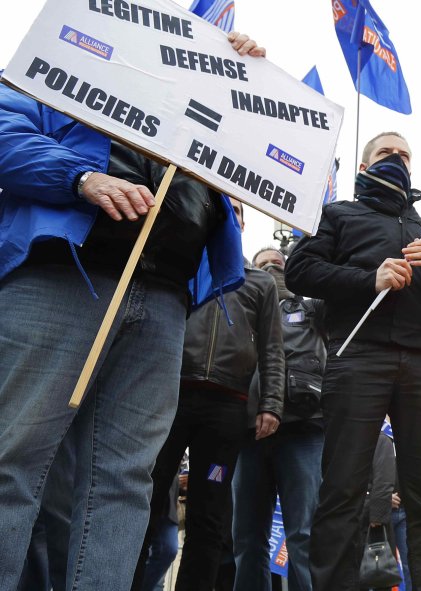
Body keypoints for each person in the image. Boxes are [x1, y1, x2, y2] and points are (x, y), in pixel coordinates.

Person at [0, 32, 264, 590]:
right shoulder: (65, 52)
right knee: (14, 460)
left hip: (166, 297)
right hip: (62, 276)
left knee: (125, 482)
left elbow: (253, 158)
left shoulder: (202, 88)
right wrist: (79, 178)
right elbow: (4, 133)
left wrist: (245, 83)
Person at [285, 132, 421, 591]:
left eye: (405, 154)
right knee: (343, 489)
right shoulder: (337, 214)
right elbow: (299, 270)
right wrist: (369, 278)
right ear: (364, 167)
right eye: (386, 153)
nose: (398, 159)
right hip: (358, 357)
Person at [135, 199, 285, 590]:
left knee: (210, 510)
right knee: (143, 500)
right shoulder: (182, 265)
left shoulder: (260, 283)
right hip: (170, 397)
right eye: (221, 206)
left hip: (226, 411)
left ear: (243, 221)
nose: (229, 214)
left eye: (236, 209)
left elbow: (273, 349)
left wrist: (271, 404)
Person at [232, 247, 328, 591]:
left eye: (278, 262)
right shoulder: (238, 307)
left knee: (304, 532)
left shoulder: (311, 307)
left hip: (303, 427)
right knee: (245, 536)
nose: (271, 268)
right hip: (249, 433)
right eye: (263, 265)